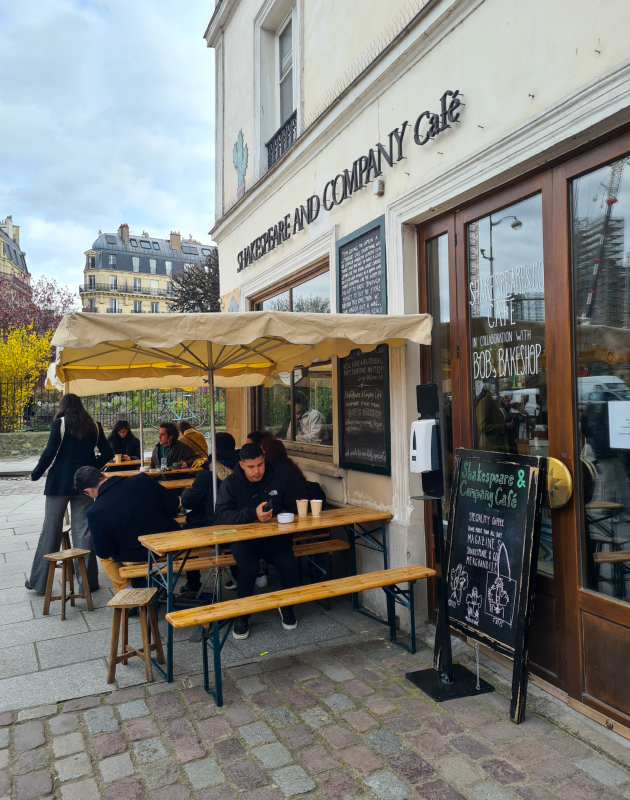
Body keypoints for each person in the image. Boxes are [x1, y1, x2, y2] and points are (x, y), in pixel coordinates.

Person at [26, 394, 113, 595]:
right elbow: (108, 454)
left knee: (51, 529)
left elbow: (49, 452)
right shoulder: (95, 426)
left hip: (59, 483)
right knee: (84, 532)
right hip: (85, 483)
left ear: (63, 406)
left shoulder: (60, 424)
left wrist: (36, 474)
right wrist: (91, 468)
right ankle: (88, 583)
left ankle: (39, 583)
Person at [215, 442, 299, 640]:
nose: (257, 471)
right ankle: (243, 615)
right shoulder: (231, 483)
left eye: (260, 465)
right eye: (251, 467)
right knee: (249, 569)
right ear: (242, 464)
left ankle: (287, 607)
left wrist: (283, 517)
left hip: (274, 538)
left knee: (289, 564)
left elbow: (292, 507)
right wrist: (252, 514)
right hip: (243, 541)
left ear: (264, 460)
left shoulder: (278, 477)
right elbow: (220, 516)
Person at [74, 466, 180, 595]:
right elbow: (173, 503)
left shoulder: (95, 511)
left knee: (105, 558)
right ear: (103, 474)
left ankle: (127, 593)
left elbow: (103, 551)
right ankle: (161, 587)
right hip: (170, 543)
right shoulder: (142, 479)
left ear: (89, 491)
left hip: (136, 553)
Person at [177, 432, 235, 594]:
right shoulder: (244, 469)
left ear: (214, 448)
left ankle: (193, 582)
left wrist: (186, 493)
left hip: (212, 527)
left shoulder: (206, 473)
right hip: (237, 524)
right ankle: (236, 573)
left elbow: (189, 502)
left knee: (185, 535)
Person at [262, 437, 325, 502]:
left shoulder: (276, 472)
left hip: (292, 508)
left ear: (269, 453)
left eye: (263, 453)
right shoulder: (289, 466)